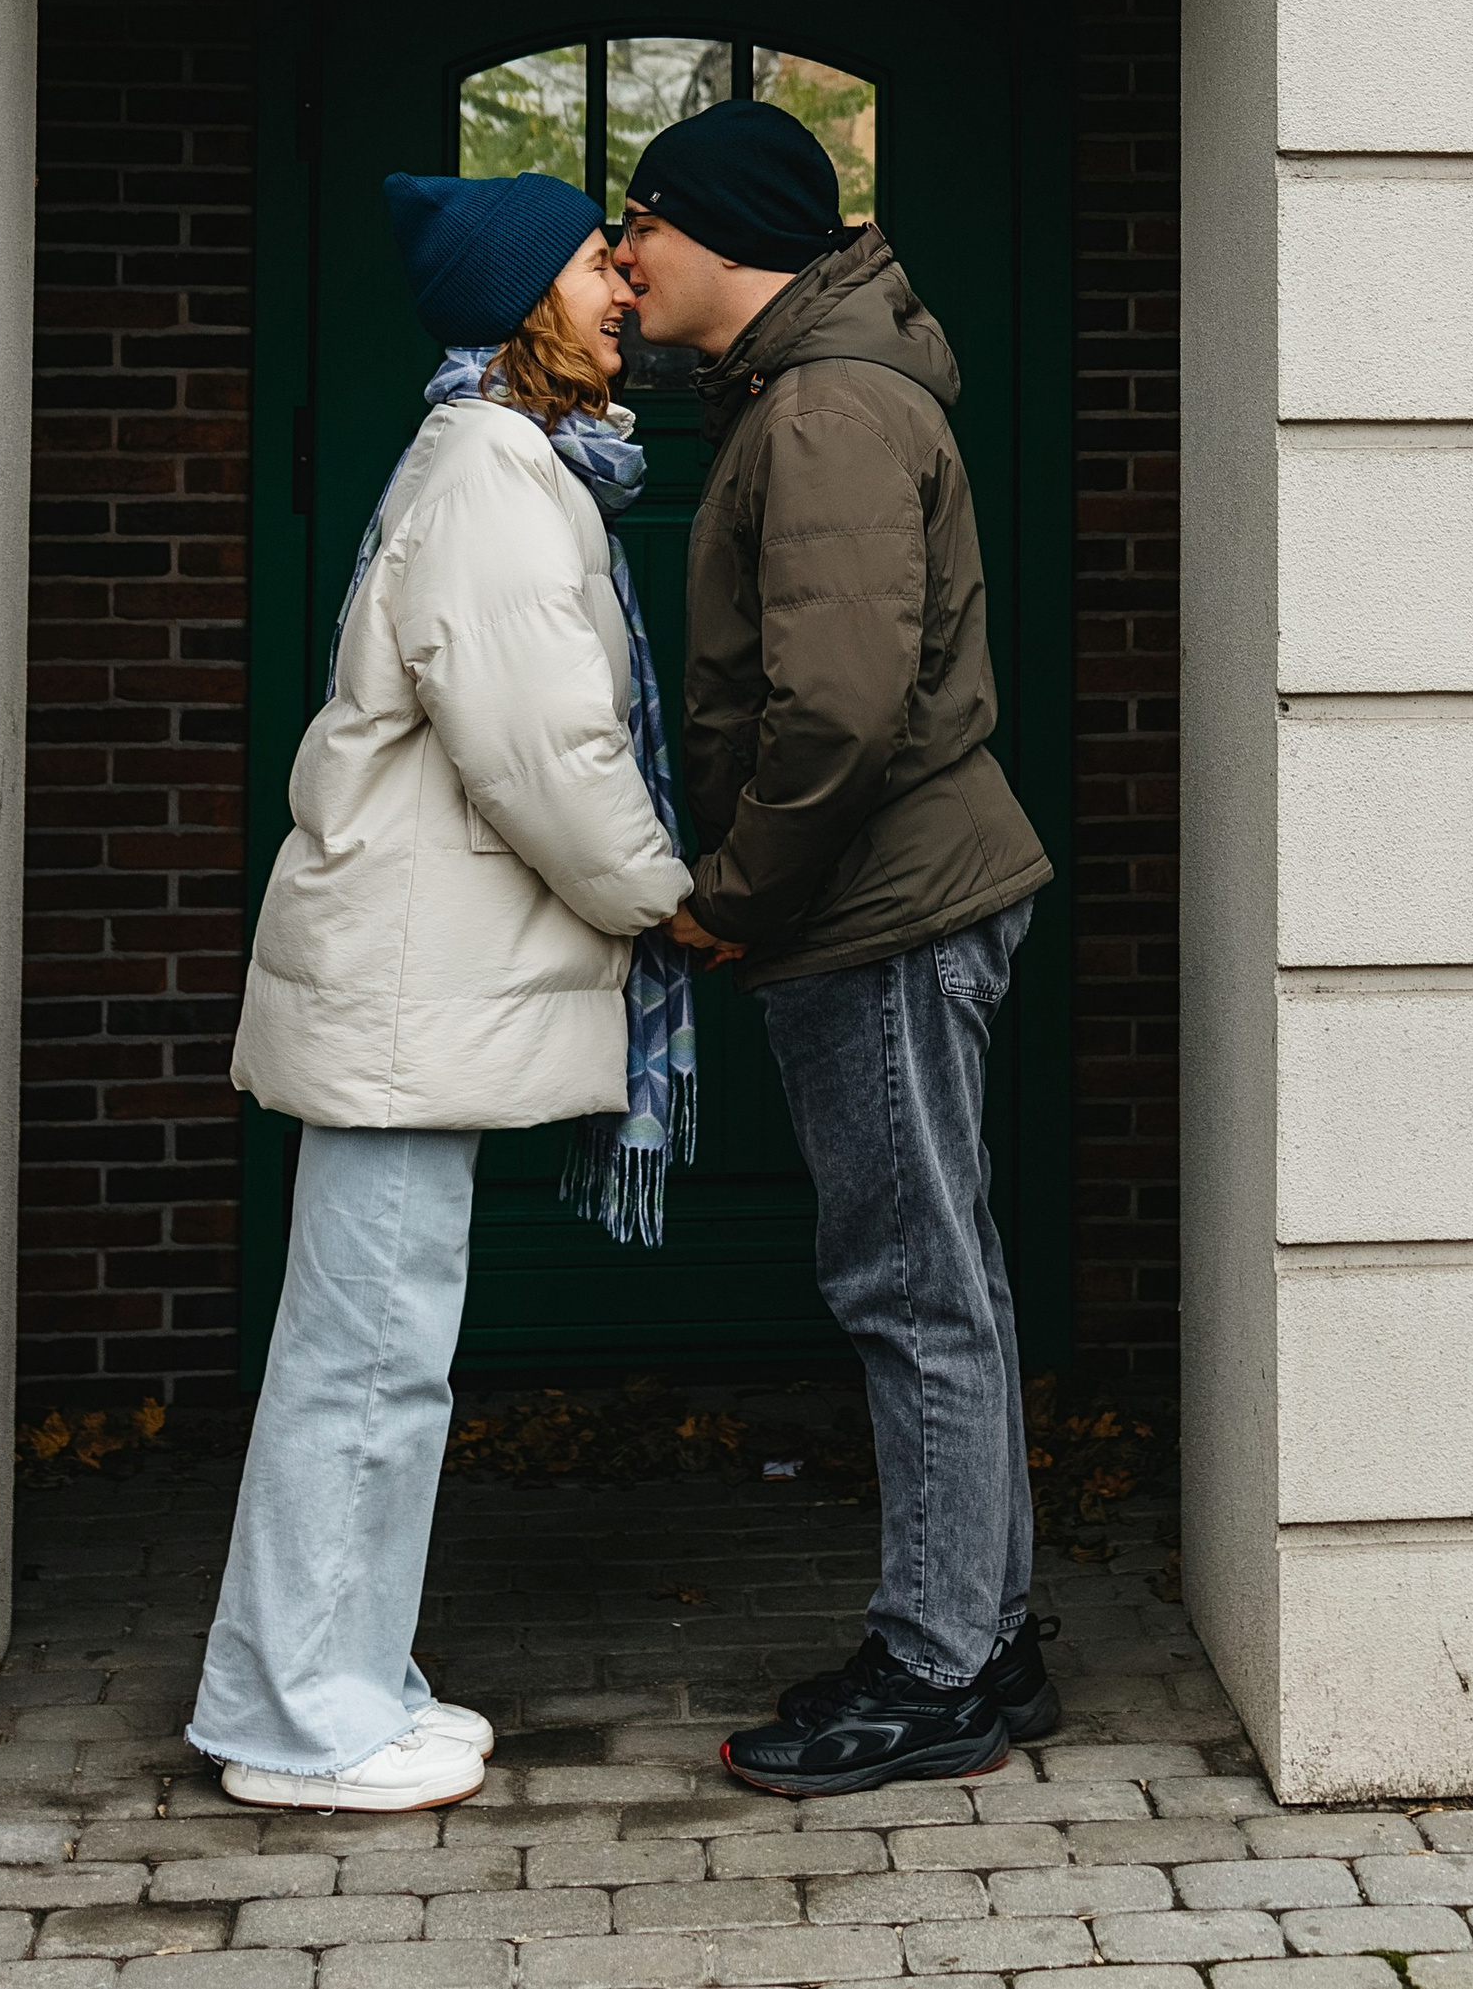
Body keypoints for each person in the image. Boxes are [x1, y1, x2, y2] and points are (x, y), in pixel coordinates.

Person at [190, 170, 697, 1815]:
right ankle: (297, 1717)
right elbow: (541, 753)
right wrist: (664, 900)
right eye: (587, 262)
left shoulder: (492, 457)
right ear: (516, 298)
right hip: (410, 1001)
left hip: (414, 994)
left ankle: (347, 1673)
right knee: (366, 1356)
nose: (620, 282)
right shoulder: (493, 470)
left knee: (381, 1349)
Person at [615, 98, 1057, 1795]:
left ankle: (941, 1664)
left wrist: (733, 892)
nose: (628, 252)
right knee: (948, 1271)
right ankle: (986, 1635)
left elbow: (840, 709)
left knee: (911, 1282)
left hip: (876, 911)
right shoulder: (821, 391)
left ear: (725, 232)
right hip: (891, 902)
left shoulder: (824, 410)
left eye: (643, 220)